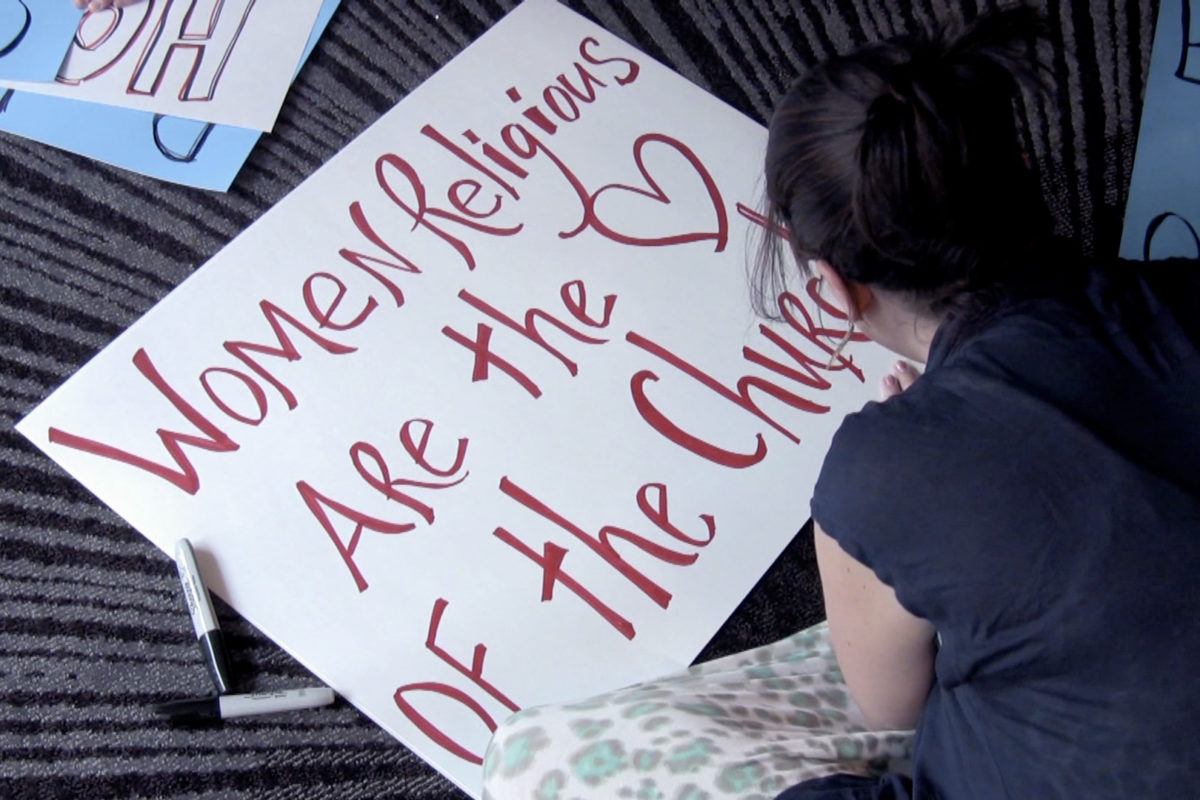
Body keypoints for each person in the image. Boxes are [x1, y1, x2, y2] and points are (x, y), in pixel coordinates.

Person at [483, 6, 1200, 800]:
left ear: (833, 286)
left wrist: (912, 466)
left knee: (541, 749)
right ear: (1022, 171)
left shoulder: (880, 471)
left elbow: (888, 707)